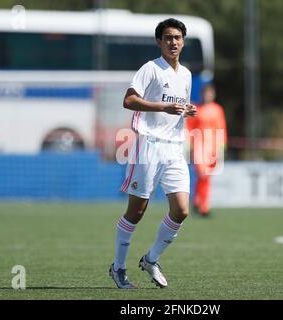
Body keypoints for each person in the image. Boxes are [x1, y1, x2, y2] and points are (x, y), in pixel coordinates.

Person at [109, 18, 197, 289]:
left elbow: (176, 108)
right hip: (147, 145)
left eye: (178, 37)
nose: (173, 42)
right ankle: (118, 267)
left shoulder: (186, 74)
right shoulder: (150, 69)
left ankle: (151, 259)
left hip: (174, 148)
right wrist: (162, 108)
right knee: (137, 211)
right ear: (159, 41)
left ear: (183, 41)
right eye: (168, 37)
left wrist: (186, 109)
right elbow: (129, 100)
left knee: (181, 210)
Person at [186, 84, 227, 217]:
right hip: (199, 145)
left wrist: (222, 146)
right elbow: (189, 128)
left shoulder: (217, 109)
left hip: (213, 147)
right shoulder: (196, 109)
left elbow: (221, 128)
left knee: (206, 177)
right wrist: (189, 145)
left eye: (209, 93)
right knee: (203, 174)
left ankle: (198, 202)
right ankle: (203, 207)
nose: (207, 96)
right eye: (205, 93)